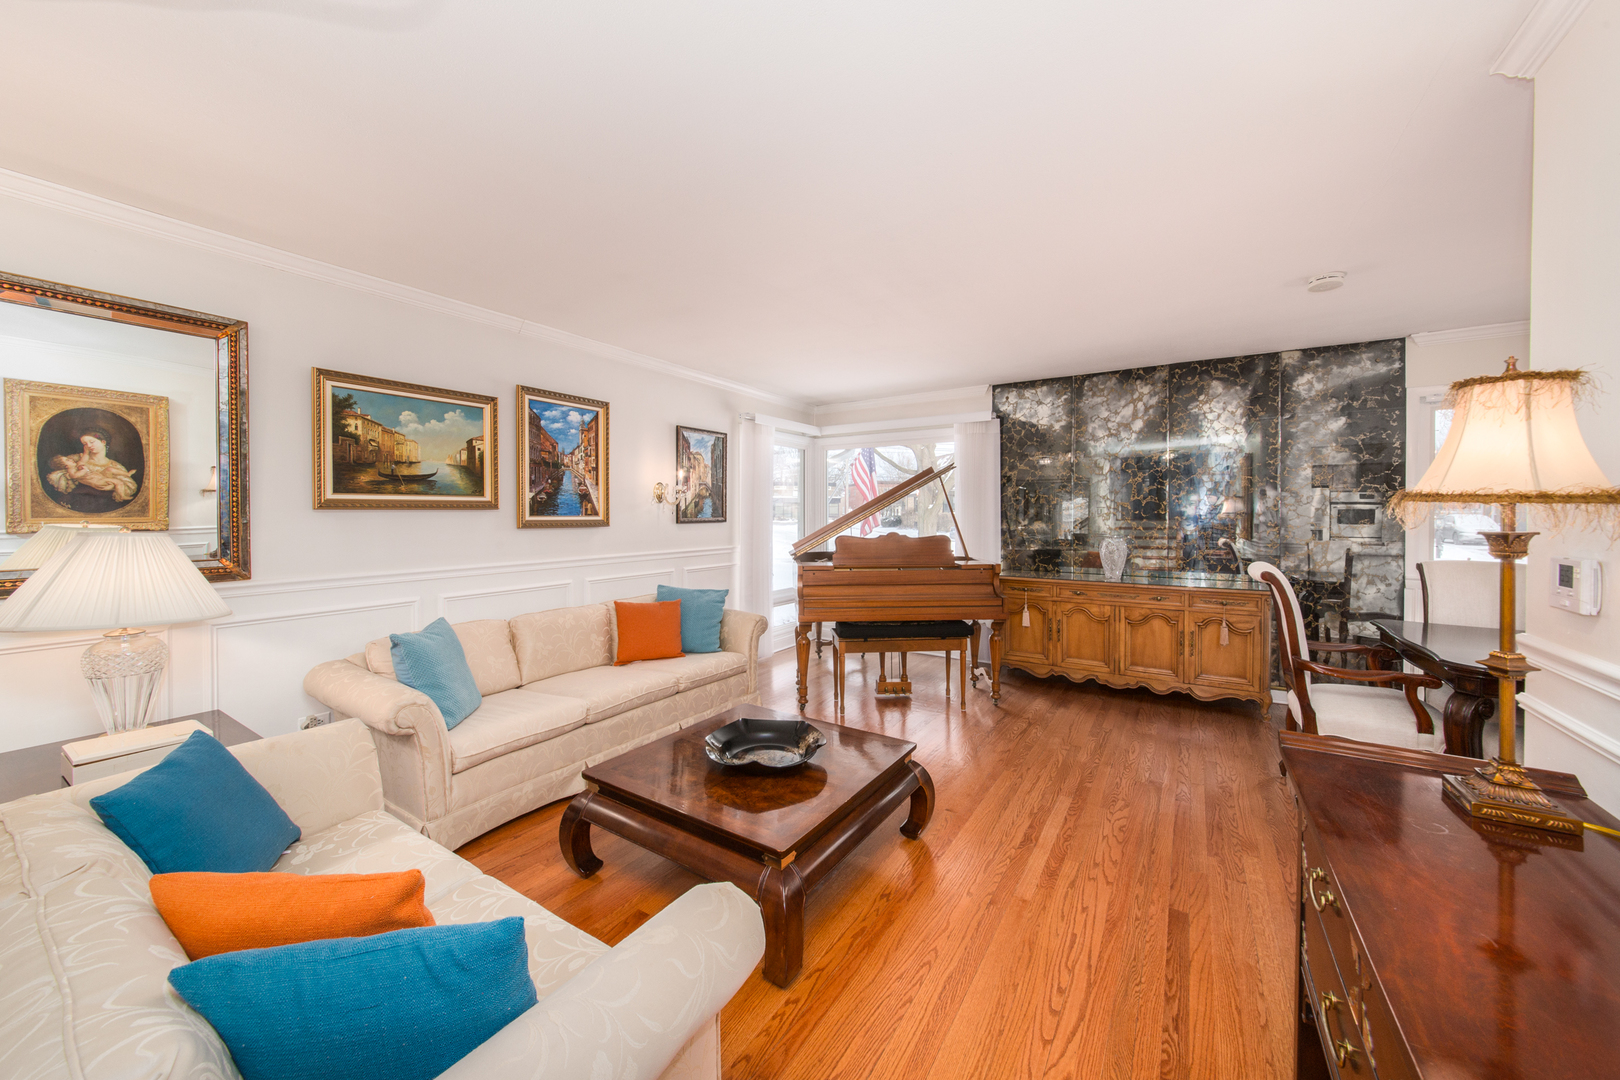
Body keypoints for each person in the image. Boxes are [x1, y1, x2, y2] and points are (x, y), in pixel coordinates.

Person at [44, 428, 139, 507]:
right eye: (85, 444)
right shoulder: (75, 459)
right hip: (81, 504)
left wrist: (112, 487)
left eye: (92, 442)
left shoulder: (115, 466)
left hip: (106, 506)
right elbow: (62, 475)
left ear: (103, 442)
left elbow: (129, 486)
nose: (88, 446)